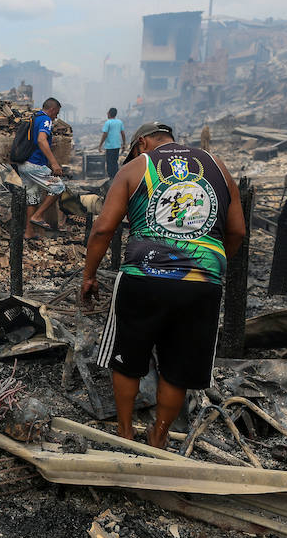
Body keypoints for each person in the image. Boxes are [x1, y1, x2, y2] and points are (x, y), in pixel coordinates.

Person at [81, 122, 245, 448]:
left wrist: (89, 275)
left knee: (127, 360)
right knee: (177, 367)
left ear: (142, 142)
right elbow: (238, 231)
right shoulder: (216, 166)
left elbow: (103, 229)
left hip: (143, 277)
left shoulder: (136, 167)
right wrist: (210, 266)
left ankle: (125, 433)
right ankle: (159, 435)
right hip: (202, 282)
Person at [19, 97, 66, 239]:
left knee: (32, 198)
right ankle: (38, 216)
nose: (56, 116)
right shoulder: (46, 120)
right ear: (51, 109)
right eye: (56, 113)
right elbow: (41, 140)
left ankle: (29, 232)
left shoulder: (34, 118)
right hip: (35, 165)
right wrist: (54, 163)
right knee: (58, 187)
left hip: (23, 164)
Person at [98, 107, 126, 178]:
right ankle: (116, 177)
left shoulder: (108, 123)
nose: (107, 114)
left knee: (110, 163)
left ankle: (111, 178)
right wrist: (124, 144)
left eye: (108, 112)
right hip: (117, 145)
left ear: (109, 114)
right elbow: (123, 133)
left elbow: (105, 134)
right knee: (115, 162)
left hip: (109, 146)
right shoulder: (120, 122)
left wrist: (100, 145)